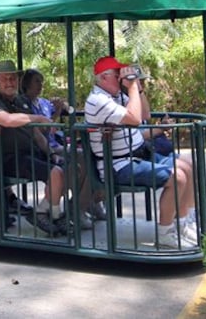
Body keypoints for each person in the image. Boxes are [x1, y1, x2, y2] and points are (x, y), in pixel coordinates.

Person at [83, 56, 197, 248]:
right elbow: (135, 119)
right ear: (103, 78)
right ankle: (165, 232)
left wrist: (138, 87)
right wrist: (132, 87)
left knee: (189, 164)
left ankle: (184, 222)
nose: (121, 77)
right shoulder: (98, 100)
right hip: (119, 165)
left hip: (138, 154)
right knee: (177, 178)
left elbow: (144, 114)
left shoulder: (116, 95)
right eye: (117, 74)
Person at [0, 60, 68, 236]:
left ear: (18, 80)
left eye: (12, 78)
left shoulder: (22, 100)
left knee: (72, 167)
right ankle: (50, 214)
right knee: (56, 173)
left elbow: (36, 133)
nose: (9, 82)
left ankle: (50, 210)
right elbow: (7, 120)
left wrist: (51, 153)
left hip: (31, 154)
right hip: (9, 158)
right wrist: (37, 117)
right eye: (5, 78)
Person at [21, 68, 106, 227]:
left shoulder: (44, 102)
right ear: (26, 84)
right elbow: (43, 130)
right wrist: (57, 113)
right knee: (80, 157)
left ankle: (89, 201)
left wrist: (63, 105)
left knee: (88, 157)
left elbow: (71, 110)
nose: (40, 85)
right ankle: (79, 206)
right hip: (43, 149)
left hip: (56, 144)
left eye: (42, 81)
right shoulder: (24, 104)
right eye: (37, 81)